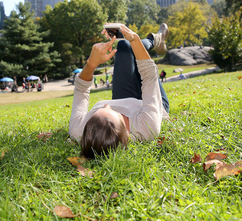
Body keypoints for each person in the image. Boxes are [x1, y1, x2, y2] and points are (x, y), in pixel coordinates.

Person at [69, 23, 170, 159]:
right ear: (126, 131)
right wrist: (134, 39)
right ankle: (154, 39)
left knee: (123, 47)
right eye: (114, 112)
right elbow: (149, 75)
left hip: (124, 97)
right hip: (153, 105)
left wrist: (91, 63)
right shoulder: (146, 127)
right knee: (133, 47)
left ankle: (154, 40)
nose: (107, 105)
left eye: (95, 114)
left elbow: (81, 89)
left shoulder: (78, 130)